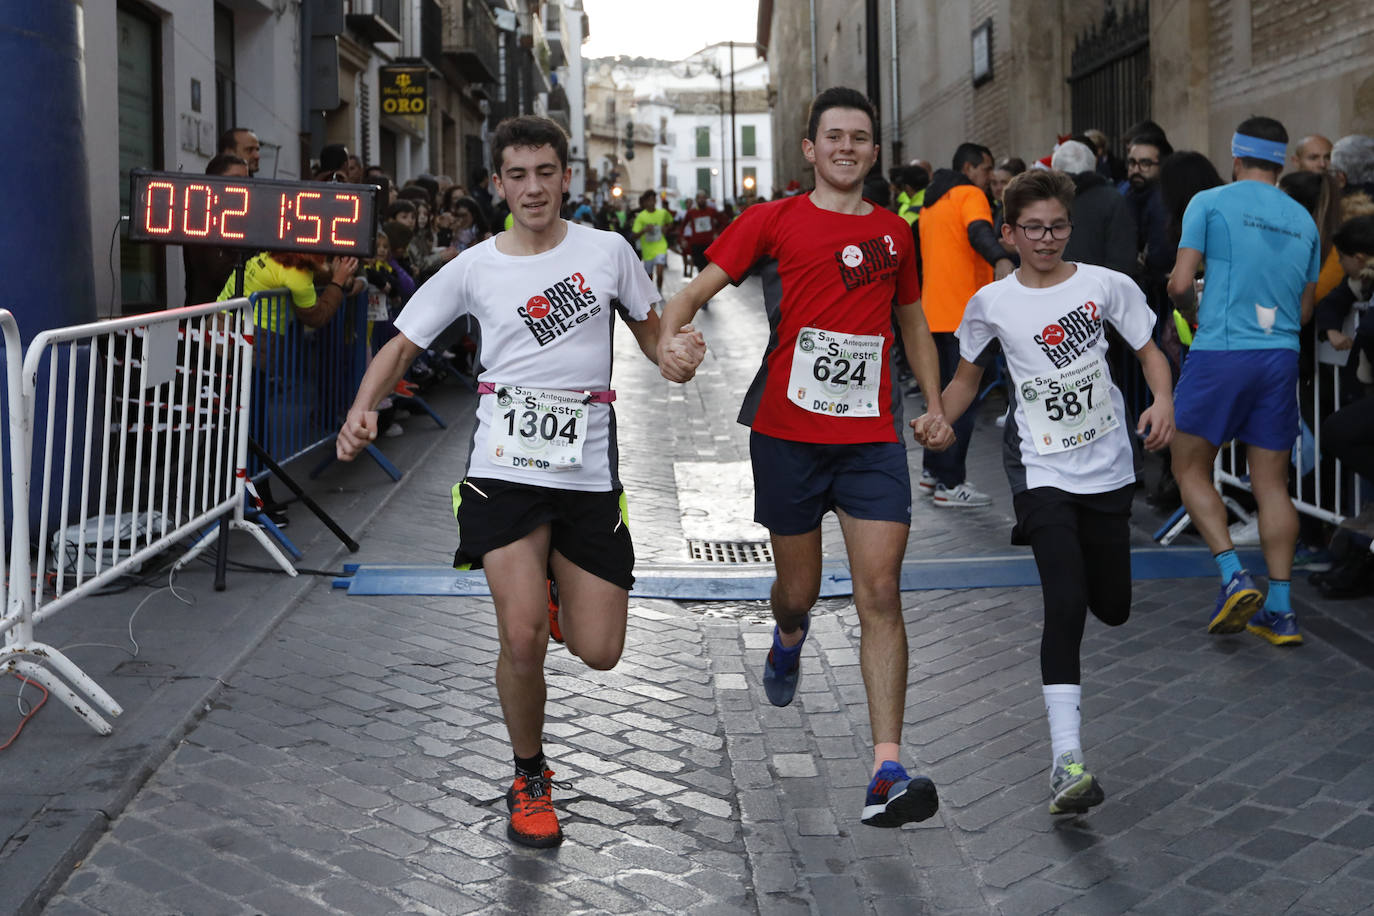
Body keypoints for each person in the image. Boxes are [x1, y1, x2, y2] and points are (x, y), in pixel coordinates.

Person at [335, 116, 705, 849]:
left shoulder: (607, 252)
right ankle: (530, 776)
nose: (532, 187)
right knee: (521, 636)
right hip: (502, 471)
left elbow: (651, 334)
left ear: (566, 176)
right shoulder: (476, 266)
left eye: (545, 172)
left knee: (600, 651)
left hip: (588, 472)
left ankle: (561, 593)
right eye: (517, 175)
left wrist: (676, 354)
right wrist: (360, 409)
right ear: (498, 183)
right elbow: (403, 343)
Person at [657, 87, 949, 829]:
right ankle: (788, 634)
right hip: (787, 435)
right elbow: (689, 295)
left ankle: (887, 766)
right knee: (800, 590)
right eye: (834, 136)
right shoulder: (771, 220)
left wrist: (935, 405)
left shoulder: (894, 233)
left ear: (874, 151)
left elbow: (912, 321)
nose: (847, 146)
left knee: (880, 592)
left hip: (871, 439)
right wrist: (676, 344)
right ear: (810, 150)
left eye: (861, 136)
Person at [912, 169, 1174, 815]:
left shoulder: (1105, 286)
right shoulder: (993, 302)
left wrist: (1163, 399)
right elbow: (968, 378)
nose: (1047, 238)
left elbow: (1149, 351)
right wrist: (941, 419)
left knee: (1110, 606)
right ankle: (1067, 760)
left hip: (1109, 466)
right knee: (1065, 600)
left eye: (1057, 226)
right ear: (1009, 233)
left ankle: (1070, 746)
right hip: (1041, 469)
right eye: (1033, 228)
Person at [1167, 116, 1322, 647]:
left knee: (1189, 466)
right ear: (1280, 163)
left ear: (1236, 157)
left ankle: (1234, 575)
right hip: (1279, 356)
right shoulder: (1304, 220)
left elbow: (1180, 283)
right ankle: (1280, 611)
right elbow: (1304, 312)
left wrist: (1191, 305)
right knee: (1272, 485)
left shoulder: (1209, 202)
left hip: (1221, 351)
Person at [917, 141, 1015, 507]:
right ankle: (950, 482)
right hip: (966, 314)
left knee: (942, 399)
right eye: (987, 169)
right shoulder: (968, 193)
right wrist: (1000, 259)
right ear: (971, 168)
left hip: (935, 313)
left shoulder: (931, 202)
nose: (990, 178)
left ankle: (932, 473)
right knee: (965, 398)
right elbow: (978, 231)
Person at [1052, 141, 1136, 277]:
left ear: (1056, 171)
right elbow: (1122, 260)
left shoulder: (1049, 201)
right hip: (1101, 290)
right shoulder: (1114, 199)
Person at [184, 153, 249, 306]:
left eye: (246, 180)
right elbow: (219, 273)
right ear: (215, 182)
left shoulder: (241, 217)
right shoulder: (203, 220)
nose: (244, 186)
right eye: (236, 179)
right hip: (206, 318)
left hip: (233, 316)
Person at [632, 190, 673, 292]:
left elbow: (671, 222)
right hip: (647, 250)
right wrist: (644, 230)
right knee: (649, 276)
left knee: (660, 271)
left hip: (660, 246)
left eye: (653, 199)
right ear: (645, 202)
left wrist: (666, 228)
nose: (651, 202)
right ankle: (651, 293)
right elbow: (634, 235)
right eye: (649, 200)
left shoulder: (663, 213)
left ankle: (659, 291)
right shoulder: (641, 217)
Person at [678, 190, 723, 278]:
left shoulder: (712, 211)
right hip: (696, 244)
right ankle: (705, 285)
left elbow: (723, 223)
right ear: (696, 200)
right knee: (700, 267)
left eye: (703, 198)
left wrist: (717, 233)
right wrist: (682, 239)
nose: (701, 200)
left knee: (707, 268)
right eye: (699, 198)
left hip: (709, 244)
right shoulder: (691, 212)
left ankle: (707, 286)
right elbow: (682, 227)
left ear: (706, 199)